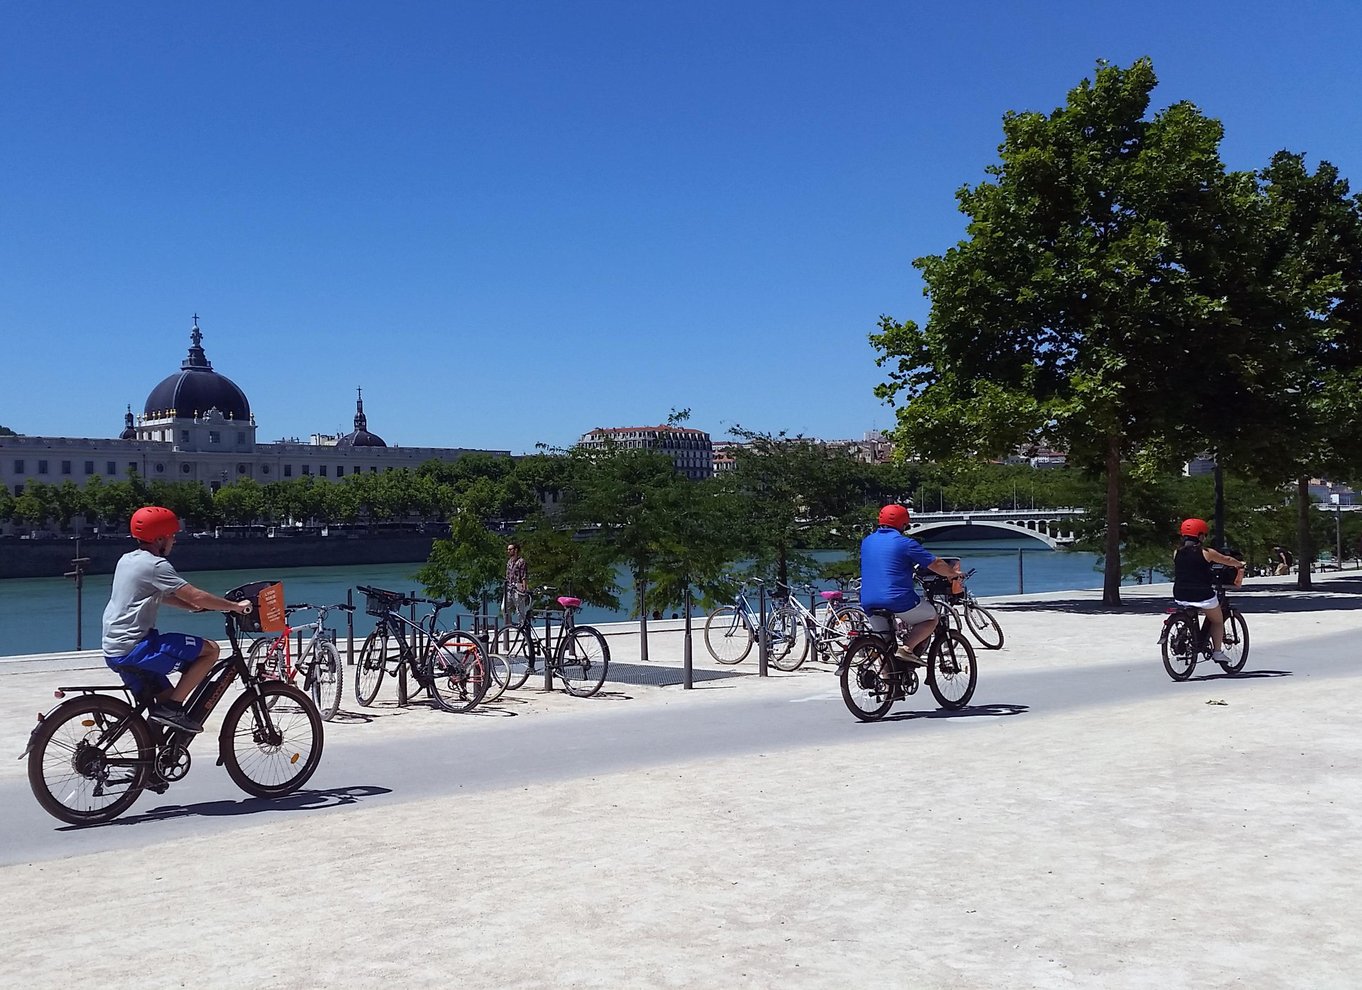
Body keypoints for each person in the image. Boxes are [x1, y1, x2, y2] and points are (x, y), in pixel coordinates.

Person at [101, 506, 253, 733]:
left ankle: (151, 758)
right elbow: (196, 594)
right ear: (159, 538)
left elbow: (157, 595)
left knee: (162, 699)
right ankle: (173, 708)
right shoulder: (155, 565)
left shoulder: (127, 560)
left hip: (114, 648)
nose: (174, 541)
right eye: (172, 536)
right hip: (137, 648)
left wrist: (190, 607)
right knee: (210, 650)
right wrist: (235, 607)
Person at [859, 504, 963, 665]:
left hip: (868, 599)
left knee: (884, 644)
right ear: (903, 524)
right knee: (931, 617)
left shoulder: (867, 541)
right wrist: (953, 573)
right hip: (896, 599)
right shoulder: (905, 543)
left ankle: (889, 685)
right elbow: (934, 563)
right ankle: (907, 648)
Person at [1172, 518, 1246, 663]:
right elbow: (1227, 560)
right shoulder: (1207, 553)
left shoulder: (1177, 552)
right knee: (1217, 620)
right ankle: (1217, 652)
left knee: (1193, 609)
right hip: (1202, 594)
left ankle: (1189, 635)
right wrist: (1239, 564)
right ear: (1200, 536)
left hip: (1180, 593)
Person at [504, 541, 529, 626]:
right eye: (508, 549)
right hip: (509, 588)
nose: (508, 551)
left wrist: (524, 588)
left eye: (510, 549)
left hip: (518, 587)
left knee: (520, 610)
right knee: (504, 607)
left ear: (516, 550)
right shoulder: (509, 562)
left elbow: (524, 576)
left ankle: (522, 626)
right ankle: (509, 624)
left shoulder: (521, 562)